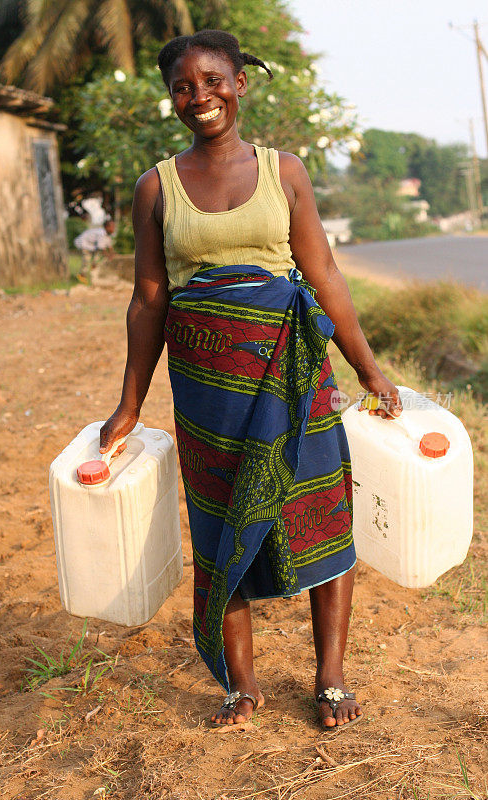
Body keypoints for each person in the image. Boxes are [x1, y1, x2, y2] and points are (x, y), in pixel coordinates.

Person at [99, 30, 402, 730]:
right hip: (207, 387)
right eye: (183, 86)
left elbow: (322, 273)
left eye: (212, 80)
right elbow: (148, 301)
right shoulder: (156, 186)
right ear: (171, 98)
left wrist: (367, 366)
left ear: (239, 83)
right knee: (219, 524)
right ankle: (241, 686)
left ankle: (329, 676)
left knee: (319, 511)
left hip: (294, 370)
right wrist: (127, 405)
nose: (198, 96)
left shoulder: (283, 171)